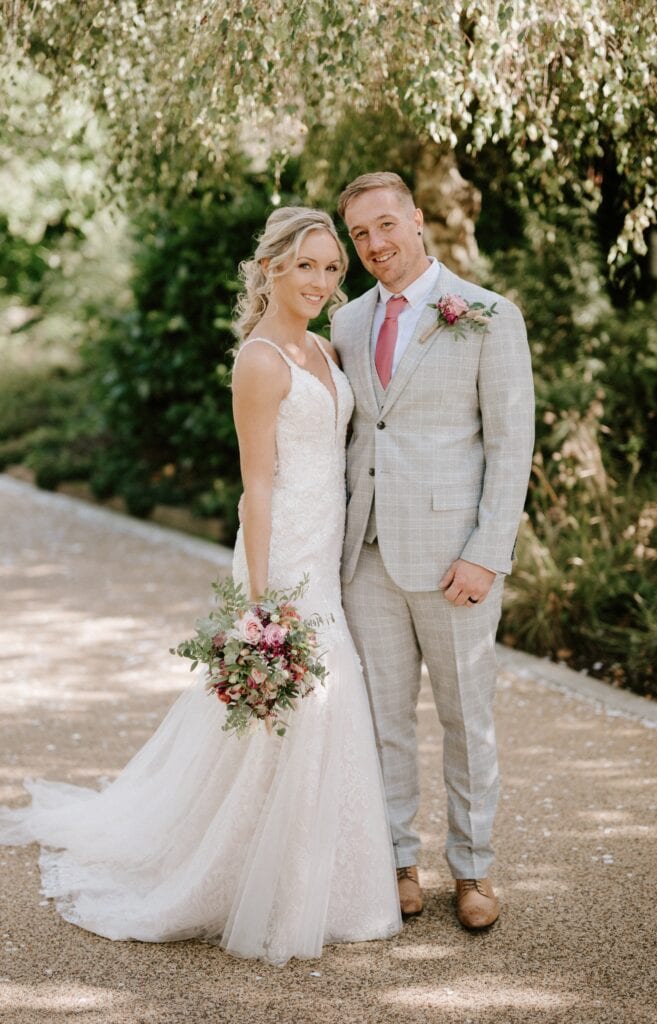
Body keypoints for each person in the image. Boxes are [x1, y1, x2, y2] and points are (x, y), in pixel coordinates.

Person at [0, 206, 401, 966]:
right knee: (287, 714)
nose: (321, 281)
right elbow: (255, 486)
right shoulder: (260, 361)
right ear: (271, 269)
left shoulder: (322, 348)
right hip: (283, 558)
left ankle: (325, 879)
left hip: (329, 547)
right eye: (306, 265)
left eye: (330, 268)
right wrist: (259, 605)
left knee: (326, 711)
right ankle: (246, 882)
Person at [332, 172, 535, 930]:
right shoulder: (346, 323)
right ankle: (396, 863)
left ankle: (474, 872)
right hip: (367, 559)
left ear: (417, 220)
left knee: (464, 719)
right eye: (359, 235)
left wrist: (487, 552)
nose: (376, 244)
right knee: (381, 719)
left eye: (386, 225)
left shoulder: (487, 315)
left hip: (456, 561)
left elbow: (511, 445)